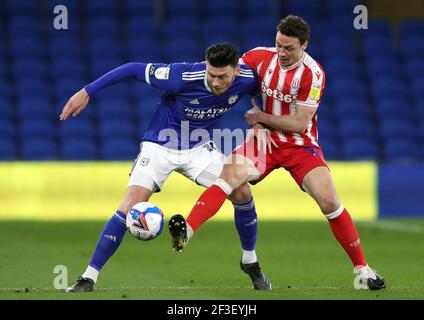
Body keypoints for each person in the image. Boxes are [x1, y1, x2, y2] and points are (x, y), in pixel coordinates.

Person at [168, 16, 386, 290]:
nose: (282, 53)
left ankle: (363, 270)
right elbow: (237, 85)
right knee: (229, 178)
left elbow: (299, 123)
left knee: (329, 200)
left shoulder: (313, 74)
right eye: (278, 45)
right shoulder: (258, 57)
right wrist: (258, 123)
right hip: (264, 140)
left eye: (289, 48)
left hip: (300, 145)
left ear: (304, 45)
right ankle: (186, 231)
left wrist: (260, 116)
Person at [60, 43, 272, 292]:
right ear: (205, 66)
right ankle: (89, 277)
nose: (215, 82)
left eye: (222, 77)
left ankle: (250, 261)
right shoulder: (181, 76)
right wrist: (88, 91)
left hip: (199, 149)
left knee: (242, 192)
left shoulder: (247, 79)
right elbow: (132, 69)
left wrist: (258, 117)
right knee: (130, 204)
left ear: (236, 71)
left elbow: (263, 94)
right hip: (160, 145)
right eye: (211, 75)